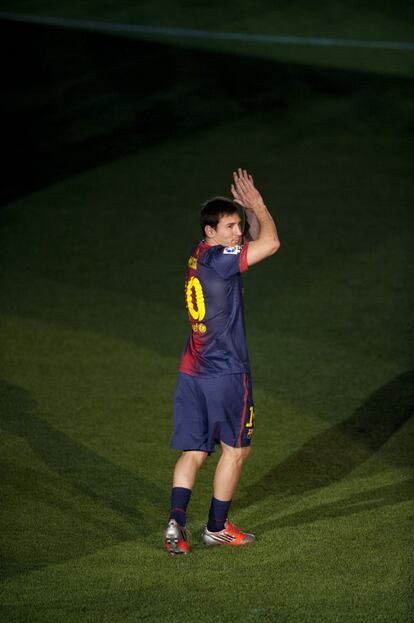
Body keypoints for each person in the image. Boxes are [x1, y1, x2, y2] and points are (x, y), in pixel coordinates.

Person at [164, 168, 280, 554]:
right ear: (210, 231)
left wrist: (246, 214)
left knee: (194, 452)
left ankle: (175, 523)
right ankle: (216, 527)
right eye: (228, 226)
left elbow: (247, 240)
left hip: (191, 371)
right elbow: (270, 243)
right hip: (226, 372)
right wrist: (259, 206)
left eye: (236, 225)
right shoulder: (221, 260)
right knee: (237, 450)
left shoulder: (199, 255)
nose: (235, 232)